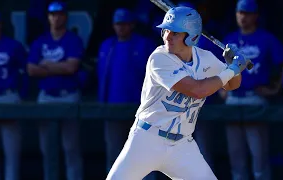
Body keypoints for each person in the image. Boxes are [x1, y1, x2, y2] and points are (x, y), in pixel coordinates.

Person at [106, 6, 250, 180]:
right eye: (166, 30)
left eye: (175, 32)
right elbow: (198, 90)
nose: (167, 37)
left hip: (182, 145)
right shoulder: (159, 58)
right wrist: (232, 69)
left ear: (192, 37)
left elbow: (232, 85)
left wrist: (232, 67)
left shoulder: (205, 58)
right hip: (147, 139)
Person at [220, 0, 283, 179]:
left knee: (259, 158)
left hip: (255, 98)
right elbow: (218, 67)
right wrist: (222, 89)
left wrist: (275, 89)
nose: (243, 17)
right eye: (240, 13)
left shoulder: (266, 38)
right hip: (233, 98)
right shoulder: (230, 39)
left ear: (256, 15)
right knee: (236, 158)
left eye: (247, 13)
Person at [96, 8, 157, 180]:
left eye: (124, 24)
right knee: (115, 153)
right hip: (113, 108)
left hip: (141, 111)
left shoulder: (145, 45)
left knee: (143, 154)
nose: (121, 28)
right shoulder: (107, 46)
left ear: (132, 25)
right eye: (118, 24)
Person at [27, 2, 84, 180]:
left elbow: (71, 68)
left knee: (71, 148)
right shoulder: (41, 41)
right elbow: (31, 69)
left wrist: (46, 65)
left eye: (59, 14)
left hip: (68, 96)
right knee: (47, 149)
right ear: (48, 17)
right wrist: (60, 66)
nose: (56, 18)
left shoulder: (73, 40)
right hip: (46, 97)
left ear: (65, 17)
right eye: (52, 15)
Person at [0, 9, 28, 180]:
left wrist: (21, 95)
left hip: (8, 97)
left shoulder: (13, 46)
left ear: (0, 25)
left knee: (11, 155)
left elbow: (26, 72)